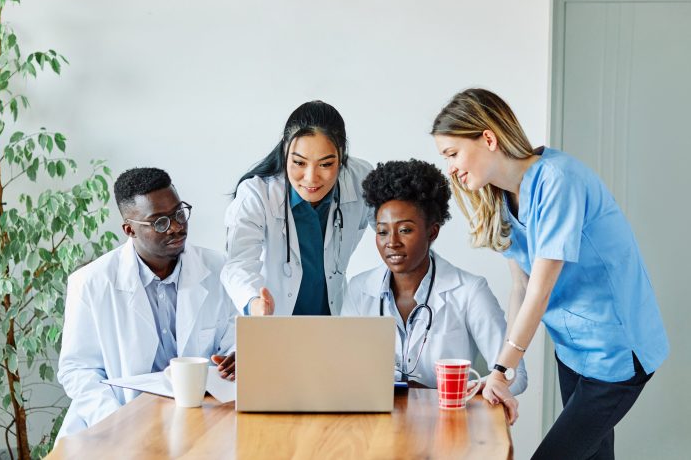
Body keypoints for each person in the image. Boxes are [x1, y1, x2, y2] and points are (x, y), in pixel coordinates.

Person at [432, 88, 669, 457]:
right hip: (572, 350)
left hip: (615, 350)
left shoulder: (558, 180)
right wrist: (503, 372)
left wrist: (501, 371)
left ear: (488, 138)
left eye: (452, 153)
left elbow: (541, 291)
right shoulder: (501, 196)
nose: (451, 167)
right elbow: (520, 288)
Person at [57, 168, 237, 438]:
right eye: (160, 222)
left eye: (179, 213)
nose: (176, 226)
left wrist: (237, 355)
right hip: (122, 417)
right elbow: (78, 369)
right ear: (129, 229)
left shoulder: (218, 267)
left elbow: (234, 338)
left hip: (202, 415)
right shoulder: (90, 283)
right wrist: (115, 420)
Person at [341, 159, 527, 395]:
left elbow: (515, 375)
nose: (392, 242)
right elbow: (345, 372)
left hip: (445, 423)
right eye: (382, 231)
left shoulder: (469, 291)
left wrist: (457, 390)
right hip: (379, 423)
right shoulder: (359, 290)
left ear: (433, 232)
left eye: (405, 230)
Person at [222, 100, 372, 316]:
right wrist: (255, 302)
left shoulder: (360, 179)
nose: (311, 178)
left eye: (326, 164)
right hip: (274, 321)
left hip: (332, 322)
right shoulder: (257, 194)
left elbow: (393, 229)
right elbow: (238, 264)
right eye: (299, 163)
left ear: (342, 155)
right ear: (285, 149)